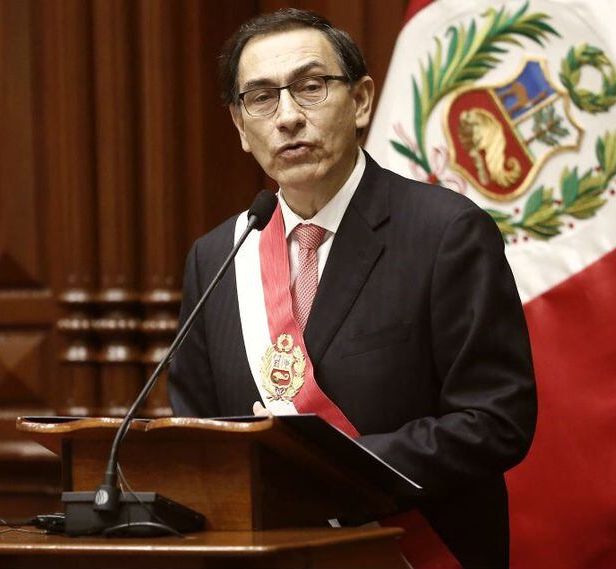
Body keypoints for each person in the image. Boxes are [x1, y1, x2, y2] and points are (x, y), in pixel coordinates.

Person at [168, 8, 536, 569]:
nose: (288, 117)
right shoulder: (218, 256)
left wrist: (330, 472)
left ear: (361, 101)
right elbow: (199, 437)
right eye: (262, 98)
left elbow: (495, 421)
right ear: (241, 127)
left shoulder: (446, 234)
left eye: (310, 87)